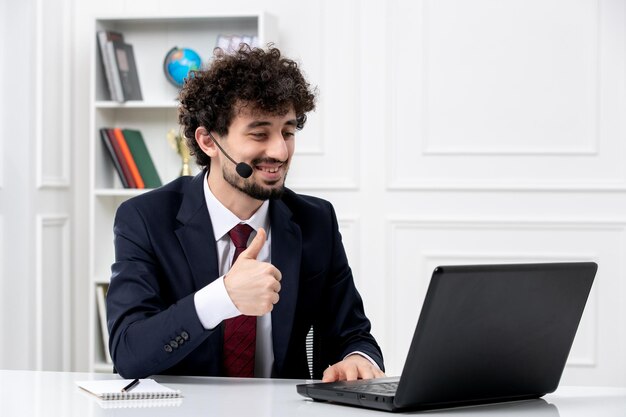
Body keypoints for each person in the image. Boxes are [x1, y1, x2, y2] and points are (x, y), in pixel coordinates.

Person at [106, 45, 385, 382]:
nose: (280, 151)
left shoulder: (315, 220)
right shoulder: (145, 219)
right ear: (208, 141)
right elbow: (128, 353)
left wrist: (358, 358)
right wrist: (222, 297)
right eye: (259, 133)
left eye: (288, 132)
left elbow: (353, 333)